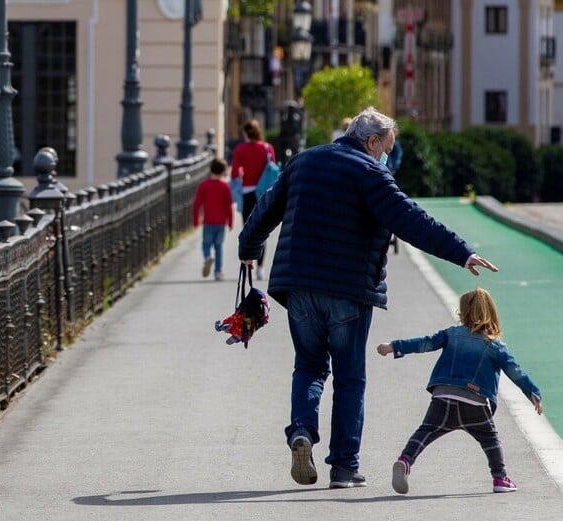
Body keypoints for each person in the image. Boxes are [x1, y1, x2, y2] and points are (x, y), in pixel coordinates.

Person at [237, 106, 498, 489]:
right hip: (348, 289)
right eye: (386, 148)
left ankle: (302, 432)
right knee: (349, 378)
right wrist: (461, 252)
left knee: (308, 367)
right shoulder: (370, 172)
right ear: (372, 141)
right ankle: (343, 468)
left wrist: (249, 246)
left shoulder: (304, 161)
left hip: (299, 287)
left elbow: (267, 207)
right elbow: (410, 219)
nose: (386, 156)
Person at [377, 287, 543, 495]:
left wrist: (394, 346)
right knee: (491, 441)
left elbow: (425, 343)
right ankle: (500, 479)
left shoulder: (451, 334)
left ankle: (405, 460)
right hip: (475, 402)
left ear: (462, 314)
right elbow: (515, 371)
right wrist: (532, 392)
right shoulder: (495, 346)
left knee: (425, 431)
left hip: (444, 396)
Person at [231, 119, 276, 280]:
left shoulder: (240, 149)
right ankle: (261, 268)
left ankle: (248, 263)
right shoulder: (267, 148)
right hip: (264, 192)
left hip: (248, 192)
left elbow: (235, 172)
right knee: (263, 230)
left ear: (245, 132)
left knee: (249, 229)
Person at [192, 157, 233, 281]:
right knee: (219, 247)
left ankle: (207, 257)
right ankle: (218, 271)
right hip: (221, 222)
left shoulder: (204, 185)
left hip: (208, 221)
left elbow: (197, 204)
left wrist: (196, 219)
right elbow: (228, 205)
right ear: (223, 171)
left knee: (206, 244)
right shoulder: (225, 186)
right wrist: (230, 221)